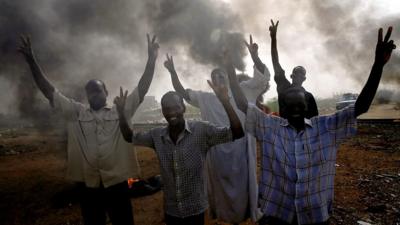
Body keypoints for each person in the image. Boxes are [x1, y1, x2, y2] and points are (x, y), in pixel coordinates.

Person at [227, 27, 396, 225]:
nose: (294, 108)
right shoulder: (271, 123)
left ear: (307, 105)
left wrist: (378, 66)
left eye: (299, 104)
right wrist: (232, 64)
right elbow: (244, 100)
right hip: (277, 213)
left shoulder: (323, 128)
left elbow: (361, 106)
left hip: (314, 215)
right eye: (289, 105)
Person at [18, 34, 159, 225]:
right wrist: (31, 61)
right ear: (87, 96)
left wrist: (151, 59)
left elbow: (142, 88)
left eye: (98, 90)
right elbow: (49, 91)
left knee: (123, 221)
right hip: (89, 184)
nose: (94, 95)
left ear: (106, 92)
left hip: (117, 183)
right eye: (90, 92)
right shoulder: (77, 112)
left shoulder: (121, 109)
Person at [163, 35, 270, 223]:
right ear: (210, 82)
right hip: (217, 154)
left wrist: (255, 57)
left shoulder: (244, 89)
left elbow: (263, 79)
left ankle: (244, 215)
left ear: (229, 77)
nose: (218, 79)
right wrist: (172, 72)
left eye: (221, 76)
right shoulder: (206, 98)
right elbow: (182, 93)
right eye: (214, 77)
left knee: (244, 188)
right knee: (220, 191)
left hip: (242, 151)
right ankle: (224, 217)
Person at [114, 79, 244, 225]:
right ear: (162, 111)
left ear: (183, 108)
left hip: (196, 210)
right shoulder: (156, 136)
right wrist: (120, 112)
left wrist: (225, 101)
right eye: (166, 108)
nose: (171, 112)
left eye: (175, 107)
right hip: (171, 211)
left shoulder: (201, 130)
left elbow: (237, 132)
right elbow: (128, 136)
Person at [269, 20, 319, 119]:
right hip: (285, 131)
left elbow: (315, 121)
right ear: (292, 76)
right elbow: (275, 62)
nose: (298, 76)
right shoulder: (283, 86)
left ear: (304, 78)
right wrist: (273, 39)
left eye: (301, 74)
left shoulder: (308, 97)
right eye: (296, 73)